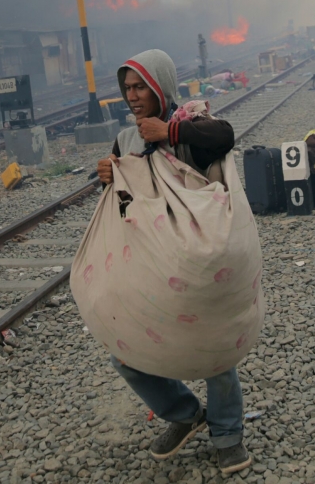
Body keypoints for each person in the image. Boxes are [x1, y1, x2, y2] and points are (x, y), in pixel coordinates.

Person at [96, 49, 252, 475]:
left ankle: (227, 436)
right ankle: (184, 414)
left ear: (160, 85)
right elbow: (126, 201)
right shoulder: (127, 140)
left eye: (140, 86)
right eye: (126, 88)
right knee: (125, 353)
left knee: (215, 354)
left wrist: (170, 130)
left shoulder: (192, 120)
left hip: (198, 266)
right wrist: (108, 178)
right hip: (150, 265)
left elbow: (224, 137)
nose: (132, 96)